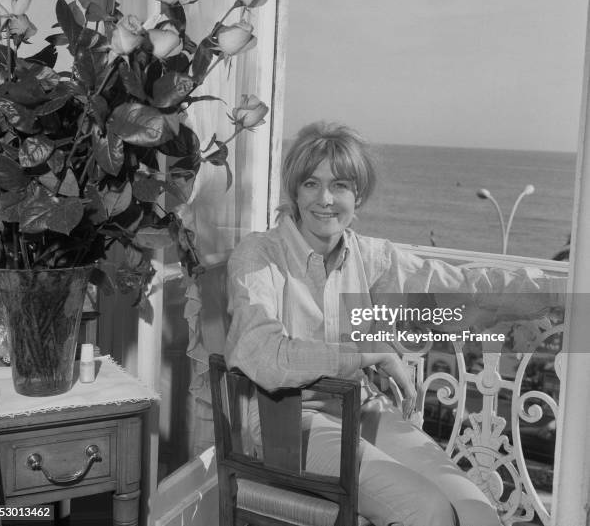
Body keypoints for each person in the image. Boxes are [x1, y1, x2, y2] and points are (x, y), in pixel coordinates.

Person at [225, 121, 564, 526]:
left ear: (359, 195)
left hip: (361, 409)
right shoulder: (258, 256)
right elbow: (264, 355)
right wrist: (368, 352)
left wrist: (560, 292)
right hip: (284, 424)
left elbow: (461, 289)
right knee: (429, 511)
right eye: (311, 184)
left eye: (341, 186)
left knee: (478, 512)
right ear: (294, 191)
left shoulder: (371, 259)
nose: (326, 199)